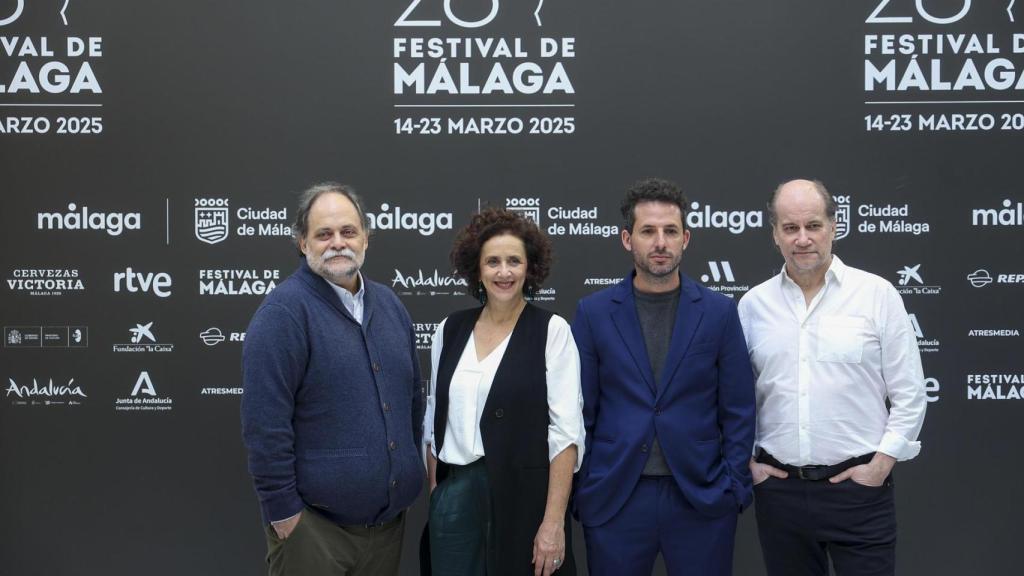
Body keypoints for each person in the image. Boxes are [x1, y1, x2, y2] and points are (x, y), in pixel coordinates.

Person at [738, 178, 927, 576]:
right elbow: (737, 397)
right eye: (790, 228)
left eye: (813, 225)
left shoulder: (877, 294)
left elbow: (910, 393)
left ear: (834, 226)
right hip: (780, 494)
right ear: (775, 234)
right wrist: (750, 464)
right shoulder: (753, 305)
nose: (802, 238)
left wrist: (879, 466)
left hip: (859, 493)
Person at [571, 178, 756, 576]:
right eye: (648, 231)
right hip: (617, 497)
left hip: (700, 497)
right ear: (627, 239)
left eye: (670, 231)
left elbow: (739, 407)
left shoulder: (719, 312)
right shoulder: (594, 313)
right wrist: (584, 487)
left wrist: (733, 486)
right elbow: (579, 410)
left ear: (686, 238)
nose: (660, 242)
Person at [241, 182, 424, 576]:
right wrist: (285, 515)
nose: (337, 243)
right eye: (323, 234)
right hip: (314, 533)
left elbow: (412, 401)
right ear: (302, 243)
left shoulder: (390, 305)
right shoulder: (284, 314)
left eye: (348, 232)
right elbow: (264, 425)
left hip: (387, 529)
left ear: (366, 239)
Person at [424, 208, 584, 576]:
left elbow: (566, 435)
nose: (504, 271)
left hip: (524, 501)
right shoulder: (449, 330)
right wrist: (438, 493)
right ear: (477, 269)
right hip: (456, 501)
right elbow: (433, 423)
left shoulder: (552, 331)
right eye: (492, 261)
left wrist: (553, 522)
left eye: (514, 261)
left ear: (530, 268)